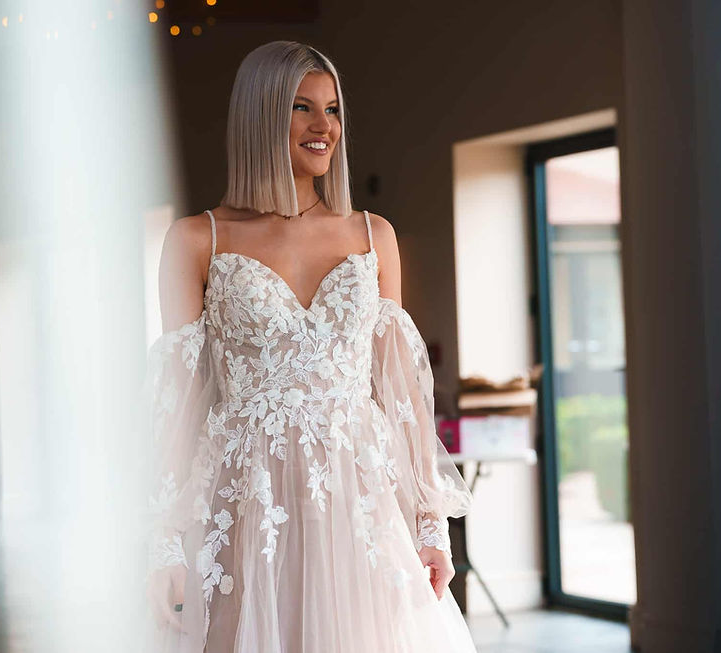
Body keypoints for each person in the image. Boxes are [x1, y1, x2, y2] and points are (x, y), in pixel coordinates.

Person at [143, 40, 476, 653]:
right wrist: (163, 543)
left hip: (360, 508)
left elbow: (399, 393)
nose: (325, 127)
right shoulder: (196, 240)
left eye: (333, 109)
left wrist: (431, 524)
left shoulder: (374, 236)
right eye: (302, 107)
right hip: (246, 509)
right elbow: (178, 404)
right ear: (260, 116)